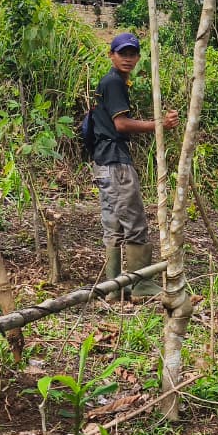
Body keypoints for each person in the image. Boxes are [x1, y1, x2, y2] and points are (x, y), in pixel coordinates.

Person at [90, 31, 179, 300]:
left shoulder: (113, 82)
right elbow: (121, 124)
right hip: (115, 161)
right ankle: (140, 284)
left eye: (132, 54)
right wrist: (158, 125)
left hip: (104, 160)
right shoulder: (114, 82)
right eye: (122, 53)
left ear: (139, 57)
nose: (128, 59)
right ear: (111, 55)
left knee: (114, 224)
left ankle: (114, 287)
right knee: (134, 222)